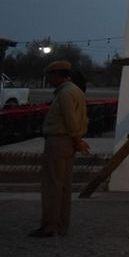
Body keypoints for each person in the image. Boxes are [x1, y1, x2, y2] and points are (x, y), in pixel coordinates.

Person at [29, 60, 89, 238]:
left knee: (52, 184)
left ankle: (49, 225)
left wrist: (76, 139)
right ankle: (61, 224)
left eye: (50, 76)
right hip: (68, 141)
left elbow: (70, 120)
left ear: (57, 75)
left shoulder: (64, 94)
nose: (48, 80)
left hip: (59, 140)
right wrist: (78, 140)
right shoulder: (76, 91)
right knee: (63, 185)